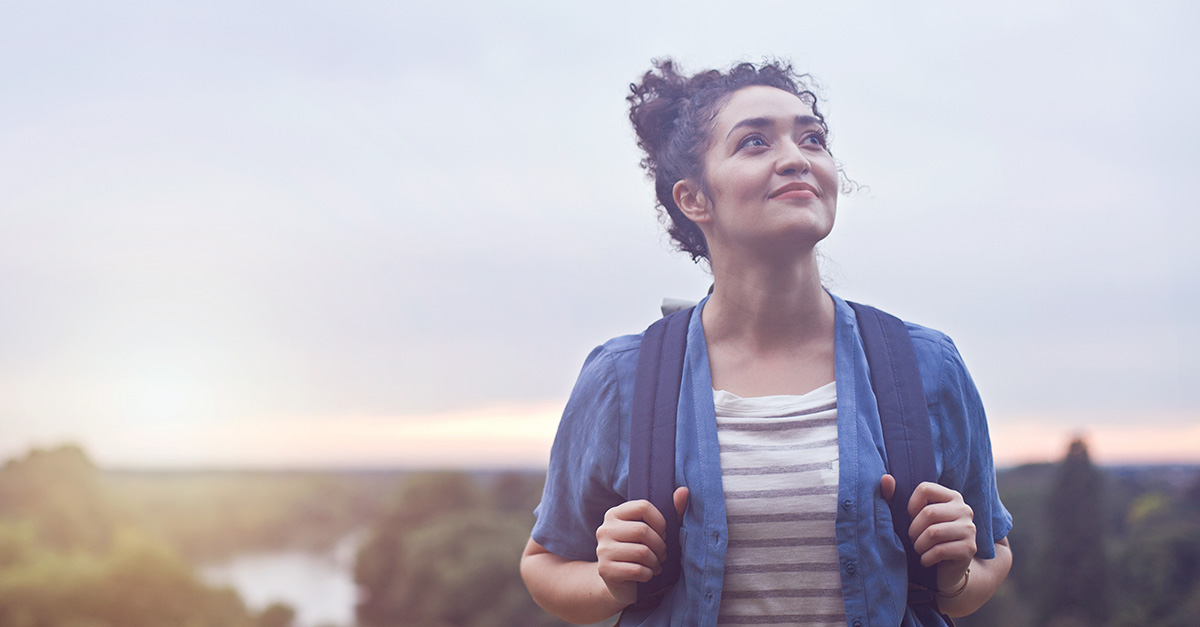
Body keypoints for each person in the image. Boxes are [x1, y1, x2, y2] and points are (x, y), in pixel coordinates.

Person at [520, 58, 1012, 627]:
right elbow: (545, 565)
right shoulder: (621, 377)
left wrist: (956, 573)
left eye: (813, 139)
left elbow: (990, 558)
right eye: (754, 142)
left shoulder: (927, 365)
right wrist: (609, 582)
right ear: (693, 199)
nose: (797, 158)